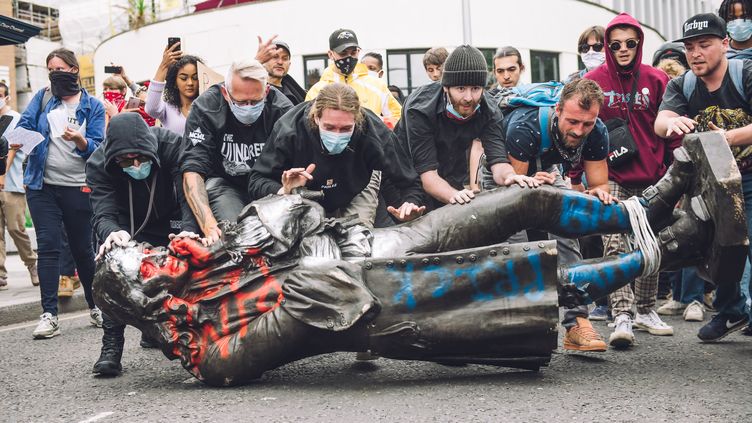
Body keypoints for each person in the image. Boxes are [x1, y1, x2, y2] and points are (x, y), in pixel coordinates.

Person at [94, 142, 739, 386]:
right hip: (385, 304)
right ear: (141, 293)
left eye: (139, 249)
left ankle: (648, 210)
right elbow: (307, 314)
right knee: (538, 287)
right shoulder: (208, 352)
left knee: (521, 200)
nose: (148, 253)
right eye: (135, 262)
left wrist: (284, 207)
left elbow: (308, 223)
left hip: (379, 248)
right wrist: (277, 235)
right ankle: (679, 244)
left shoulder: (211, 258)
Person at [655, 13, 752, 341]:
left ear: (725, 44)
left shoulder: (746, 74)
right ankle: (731, 311)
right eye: (690, 47)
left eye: (704, 45)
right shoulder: (683, 83)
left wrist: (726, 137)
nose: (695, 53)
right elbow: (661, 119)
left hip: (750, 178)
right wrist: (670, 123)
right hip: (713, 184)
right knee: (719, 247)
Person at [498, 78, 614, 351]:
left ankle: (576, 322)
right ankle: (521, 323)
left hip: (548, 170)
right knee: (515, 242)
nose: (579, 130)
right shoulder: (524, 125)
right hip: (506, 173)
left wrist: (597, 195)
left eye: (587, 123)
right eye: (573, 121)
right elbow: (518, 192)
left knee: (567, 231)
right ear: (558, 109)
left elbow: (598, 184)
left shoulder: (596, 131)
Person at [584, 13, 678, 348]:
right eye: (616, 44)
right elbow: (582, 126)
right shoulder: (594, 80)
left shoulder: (656, 79)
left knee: (649, 242)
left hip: (652, 174)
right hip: (611, 175)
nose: (623, 50)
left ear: (639, 44)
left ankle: (646, 309)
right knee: (614, 243)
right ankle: (621, 314)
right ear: (608, 47)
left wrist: (674, 172)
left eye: (630, 43)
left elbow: (671, 131)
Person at [86, 112, 199, 376]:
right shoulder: (97, 164)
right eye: (127, 160)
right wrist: (111, 233)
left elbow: (188, 194)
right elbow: (102, 212)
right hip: (126, 222)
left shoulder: (171, 145)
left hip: (170, 215)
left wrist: (189, 230)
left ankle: (167, 332)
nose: (136, 164)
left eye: (141, 158)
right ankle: (111, 347)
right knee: (112, 270)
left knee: (181, 271)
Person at [10, 48, 105, 338]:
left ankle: (95, 305)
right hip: (42, 186)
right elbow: (19, 133)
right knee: (49, 247)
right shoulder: (42, 98)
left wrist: (80, 141)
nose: (54, 73)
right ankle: (49, 314)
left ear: (75, 70)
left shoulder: (93, 105)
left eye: (60, 68)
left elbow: (99, 147)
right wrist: (37, 142)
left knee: (82, 250)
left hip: (78, 186)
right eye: (50, 68)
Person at [249, 83, 424, 227]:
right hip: (304, 193)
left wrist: (409, 204)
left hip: (357, 185)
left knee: (358, 241)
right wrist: (284, 190)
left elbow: (407, 179)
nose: (337, 134)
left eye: (346, 128)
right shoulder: (289, 130)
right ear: (316, 118)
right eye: (330, 127)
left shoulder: (373, 131)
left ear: (357, 120)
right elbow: (256, 181)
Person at [395, 44, 536, 212]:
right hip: (405, 172)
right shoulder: (419, 109)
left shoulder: (489, 110)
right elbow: (427, 174)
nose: (468, 98)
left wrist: (511, 177)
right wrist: (454, 195)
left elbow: (498, 161)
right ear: (445, 87)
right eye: (461, 88)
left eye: (476, 89)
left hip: (451, 169)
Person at [182, 59, 293, 245]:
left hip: (269, 185)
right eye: (241, 102)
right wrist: (207, 223)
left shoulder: (282, 110)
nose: (248, 108)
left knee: (278, 241)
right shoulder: (206, 108)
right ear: (226, 93)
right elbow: (193, 169)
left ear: (266, 91)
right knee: (237, 238)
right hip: (225, 183)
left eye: (255, 101)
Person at [305, 29, 401, 121]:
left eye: (353, 52)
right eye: (343, 53)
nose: (349, 57)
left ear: (358, 51)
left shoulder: (377, 85)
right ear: (330, 54)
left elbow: (398, 118)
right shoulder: (317, 91)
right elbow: (308, 123)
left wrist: (376, 124)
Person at [0, 82, 38, 290]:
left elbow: (17, 150)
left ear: (7, 97)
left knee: (16, 228)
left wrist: (3, 174)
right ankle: (0, 273)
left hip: (11, 182)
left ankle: (32, 263)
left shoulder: (17, 119)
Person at [145, 41, 203, 135]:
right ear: (174, 82)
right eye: (184, 78)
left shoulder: (208, 107)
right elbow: (151, 108)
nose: (190, 83)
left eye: (195, 78)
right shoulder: (167, 109)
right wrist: (163, 66)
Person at [261, 40, 306, 105]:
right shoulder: (255, 91)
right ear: (264, 61)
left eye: (284, 58)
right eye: (275, 57)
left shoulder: (298, 94)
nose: (280, 62)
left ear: (289, 64)